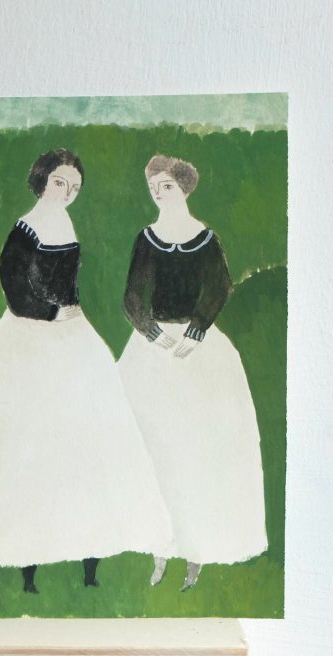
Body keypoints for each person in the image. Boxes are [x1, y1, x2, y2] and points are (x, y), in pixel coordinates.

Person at [0, 149, 173, 593]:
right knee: (33, 442)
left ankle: (90, 561)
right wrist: (52, 314)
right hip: (29, 340)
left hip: (73, 337)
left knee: (91, 439)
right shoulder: (25, 228)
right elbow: (14, 287)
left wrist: (69, 315)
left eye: (74, 187)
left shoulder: (67, 224)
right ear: (42, 181)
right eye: (60, 182)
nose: (67, 192)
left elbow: (69, 285)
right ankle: (27, 567)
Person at [119, 154, 268, 590]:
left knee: (198, 449)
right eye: (153, 189)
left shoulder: (206, 239)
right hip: (153, 351)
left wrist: (197, 330)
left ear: (183, 188)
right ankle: (159, 548)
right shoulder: (146, 239)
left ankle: (197, 550)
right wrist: (151, 333)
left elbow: (220, 287)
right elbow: (132, 297)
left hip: (198, 349)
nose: (158, 195)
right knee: (154, 447)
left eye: (165, 186)